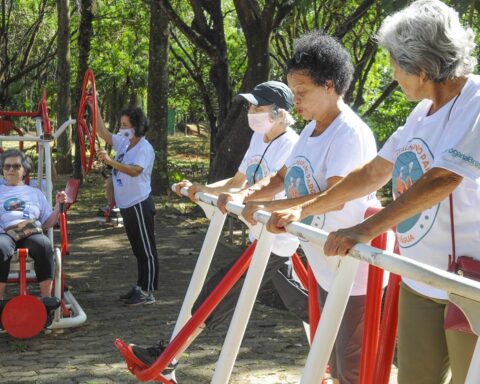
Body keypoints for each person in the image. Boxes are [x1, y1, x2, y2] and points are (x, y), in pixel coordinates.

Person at [268, 1, 479, 383]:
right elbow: (372, 173)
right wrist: (306, 209)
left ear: (422, 66)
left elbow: (443, 178)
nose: (393, 74)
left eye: (396, 64)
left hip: (468, 283)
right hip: (420, 279)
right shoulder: (421, 113)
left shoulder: (475, 101)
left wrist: (363, 230)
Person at [124, 81, 307, 382]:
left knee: (218, 291)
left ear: (279, 113)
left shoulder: (293, 144)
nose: (251, 113)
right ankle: (337, 339)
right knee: (301, 302)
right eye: (250, 106)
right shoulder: (260, 138)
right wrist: (201, 190)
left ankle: (169, 356)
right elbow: (238, 182)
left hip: (274, 240)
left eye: (257, 107)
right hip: (259, 237)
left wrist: (240, 197)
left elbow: (269, 186)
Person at [227, 32, 380, 384]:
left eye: (302, 93)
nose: (295, 101)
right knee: (330, 362)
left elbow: (336, 193)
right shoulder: (311, 130)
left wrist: (273, 205)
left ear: (330, 86)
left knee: (351, 367)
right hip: (323, 262)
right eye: (293, 92)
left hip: (350, 269)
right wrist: (249, 196)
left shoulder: (349, 133)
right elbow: (282, 177)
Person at [95, 106, 158, 306]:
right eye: (121, 124)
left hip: (139, 203)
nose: (121, 129)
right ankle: (140, 287)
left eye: (125, 125)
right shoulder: (124, 143)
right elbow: (102, 132)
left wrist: (110, 161)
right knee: (138, 248)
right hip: (126, 204)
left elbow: (135, 171)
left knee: (146, 248)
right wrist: (94, 105)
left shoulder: (144, 148)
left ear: (136, 127)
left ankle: (148, 291)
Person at [0, 149, 66, 304]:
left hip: (29, 231)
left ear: (24, 170)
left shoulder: (35, 193)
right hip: (4, 232)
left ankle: (46, 299)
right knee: (1, 247)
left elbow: (47, 223)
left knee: (44, 245)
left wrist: (58, 205)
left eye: (16, 166)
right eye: (7, 166)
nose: (10, 170)